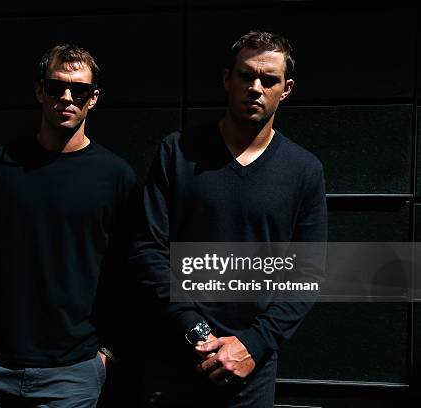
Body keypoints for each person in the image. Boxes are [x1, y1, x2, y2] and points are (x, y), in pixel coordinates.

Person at [129, 30, 327, 407]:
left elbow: (307, 273)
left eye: (268, 80)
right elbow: (148, 249)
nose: (255, 87)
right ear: (227, 79)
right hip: (172, 361)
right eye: (246, 75)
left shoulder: (304, 170)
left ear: (285, 89)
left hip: (252, 369)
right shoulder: (177, 152)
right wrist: (195, 331)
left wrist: (253, 343)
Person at [0, 44, 138, 407]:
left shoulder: (116, 176)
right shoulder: (0, 165)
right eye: (55, 87)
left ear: (93, 97)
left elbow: (128, 271)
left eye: (79, 89)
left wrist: (105, 354)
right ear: (40, 91)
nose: (66, 97)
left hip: (73, 371)